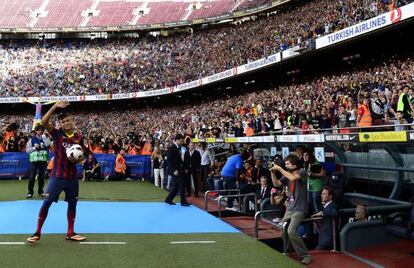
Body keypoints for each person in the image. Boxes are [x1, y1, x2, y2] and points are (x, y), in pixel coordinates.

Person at [26, 101, 86, 244]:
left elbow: (82, 156)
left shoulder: (78, 137)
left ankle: (70, 233)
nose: (66, 123)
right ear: (60, 124)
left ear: (71, 121)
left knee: (73, 204)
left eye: (67, 120)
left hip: (72, 178)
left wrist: (77, 160)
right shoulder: (57, 133)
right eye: (63, 121)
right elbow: (43, 121)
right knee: (46, 202)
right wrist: (54, 106)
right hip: (57, 177)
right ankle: (37, 233)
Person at [270, 155, 312, 265]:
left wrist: (279, 168)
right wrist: (272, 172)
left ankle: (306, 255)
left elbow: (293, 178)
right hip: (290, 207)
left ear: (294, 164)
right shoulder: (287, 174)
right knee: (284, 230)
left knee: (291, 231)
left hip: (300, 208)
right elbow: (276, 184)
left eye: (288, 163)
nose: (286, 165)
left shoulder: (302, 171)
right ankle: (289, 250)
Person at [164, 134, 190, 206]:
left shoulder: (179, 148)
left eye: (182, 141)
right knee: (182, 184)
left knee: (176, 186)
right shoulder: (172, 148)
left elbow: (180, 161)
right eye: (181, 141)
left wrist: (184, 169)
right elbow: (169, 161)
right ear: (176, 140)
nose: (182, 142)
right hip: (175, 171)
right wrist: (174, 170)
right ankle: (183, 202)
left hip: (179, 170)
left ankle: (168, 199)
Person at [26, 125, 51, 198]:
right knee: (32, 177)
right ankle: (30, 192)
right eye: (39, 130)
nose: (41, 131)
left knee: (41, 178)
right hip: (33, 161)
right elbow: (27, 150)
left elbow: (48, 144)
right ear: (36, 131)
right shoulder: (31, 140)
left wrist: (46, 136)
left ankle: (41, 192)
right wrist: (34, 148)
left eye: (42, 130)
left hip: (42, 161)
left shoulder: (45, 138)